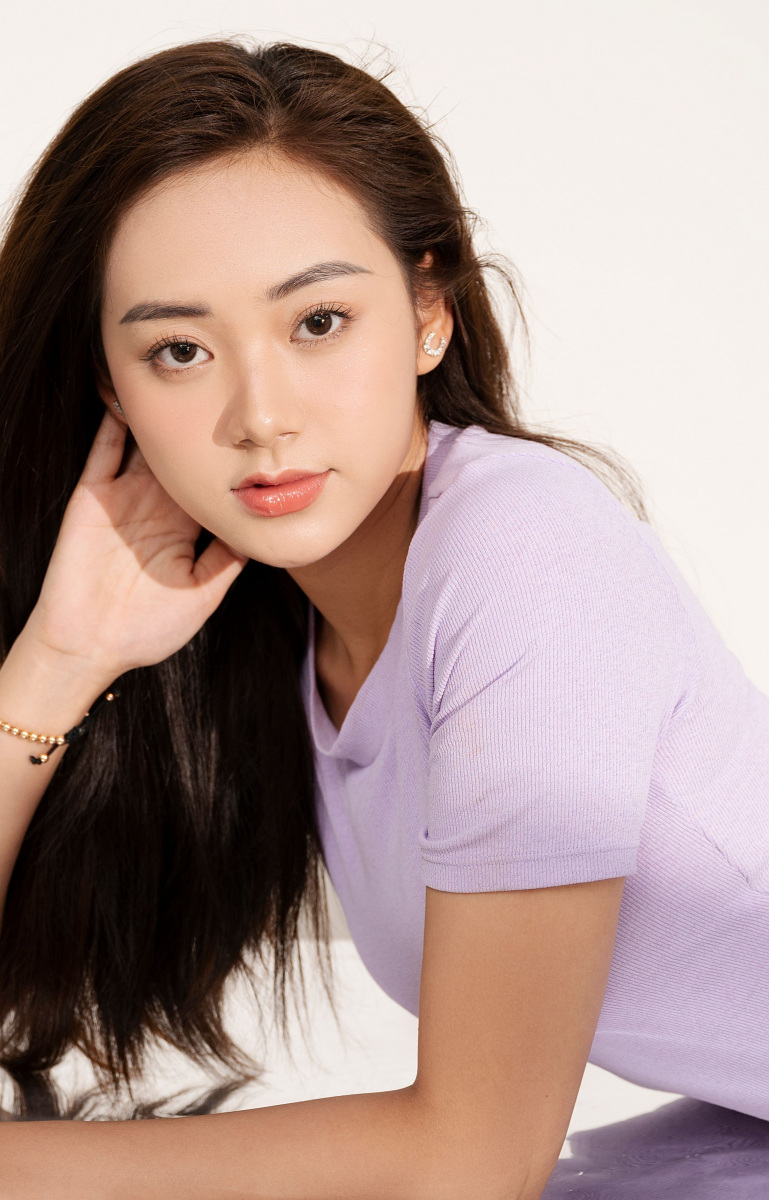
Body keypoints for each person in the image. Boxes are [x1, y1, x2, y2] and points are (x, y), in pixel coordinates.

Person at [0, 36, 766, 1200]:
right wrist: (58, 661)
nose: (261, 416)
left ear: (427, 313)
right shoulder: (269, 638)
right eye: (179, 350)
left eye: (317, 323)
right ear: (114, 390)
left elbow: (471, 1158)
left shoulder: (521, 551)